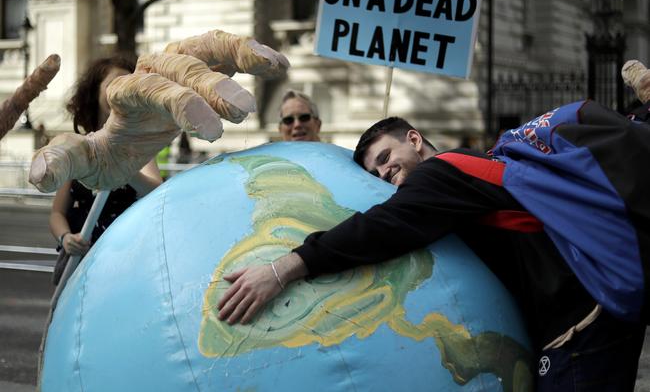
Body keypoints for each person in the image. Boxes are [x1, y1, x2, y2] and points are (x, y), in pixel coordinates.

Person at [216, 109, 649, 392]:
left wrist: (283, 269)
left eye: (387, 155)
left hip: (575, 325)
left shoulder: (441, 175)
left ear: (415, 139)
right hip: (592, 305)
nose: (386, 171)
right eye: (375, 171)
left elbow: (381, 228)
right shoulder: (476, 165)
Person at [49, 56, 162, 283]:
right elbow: (57, 213)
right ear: (94, 92)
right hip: (80, 264)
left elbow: (156, 190)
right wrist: (66, 238)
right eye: (114, 83)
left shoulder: (138, 147)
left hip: (124, 263)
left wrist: (122, 166)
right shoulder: (77, 148)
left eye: (129, 83)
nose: (121, 90)